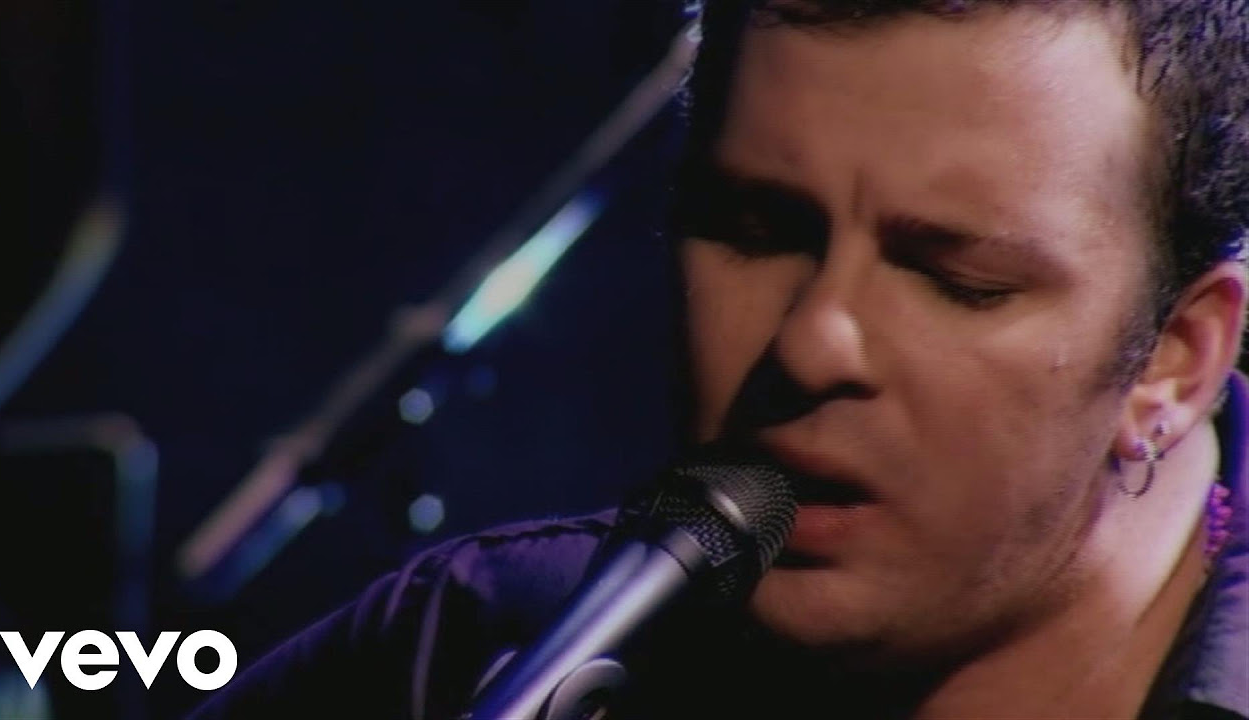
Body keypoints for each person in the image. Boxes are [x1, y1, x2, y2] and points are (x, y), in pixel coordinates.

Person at [191, 1, 1249, 718]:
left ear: (1175, 356)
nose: (812, 342)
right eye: (752, 228)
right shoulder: (481, 645)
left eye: (954, 277)